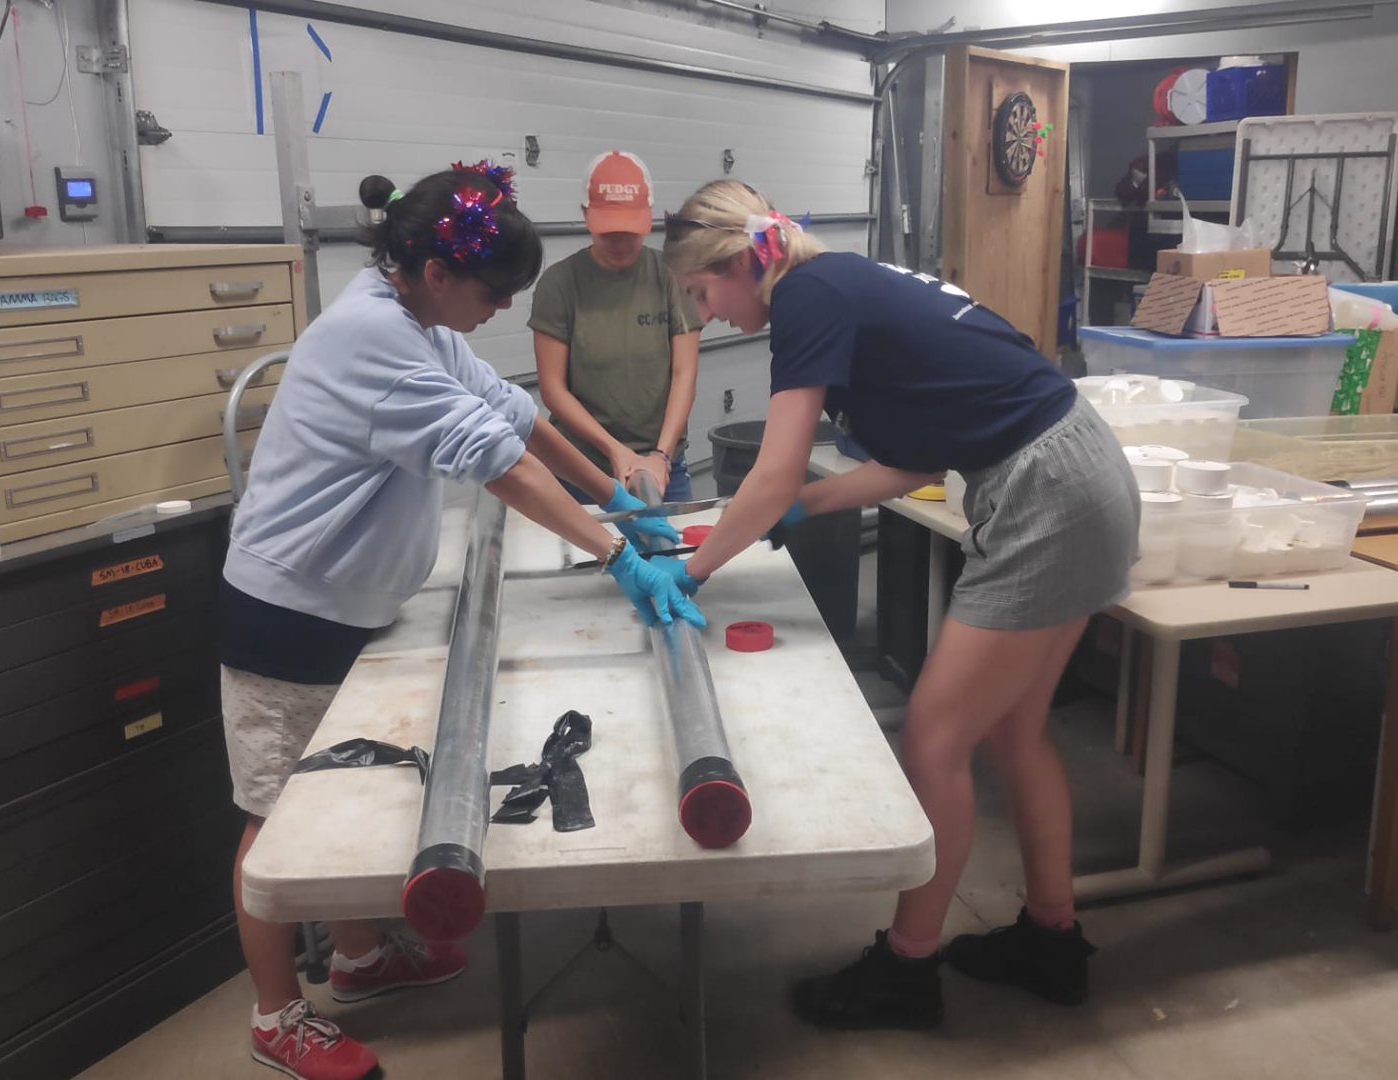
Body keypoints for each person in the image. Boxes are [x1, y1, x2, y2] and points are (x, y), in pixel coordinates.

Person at [219, 162, 704, 1080]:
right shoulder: (372, 335)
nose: (501, 310)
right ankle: (276, 1014)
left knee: (338, 796)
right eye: (495, 293)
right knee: (275, 818)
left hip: (348, 602)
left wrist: (616, 501)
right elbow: (495, 462)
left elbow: (513, 416)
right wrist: (614, 557)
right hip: (286, 611)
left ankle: (359, 959)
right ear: (438, 272)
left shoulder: (416, 318)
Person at [657, 181, 1139, 1031]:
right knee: (1014, 731)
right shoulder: (845, 283)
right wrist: (811, 505)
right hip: (1083, 469)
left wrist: (693, 571)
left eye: (703, 295)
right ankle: (1051, 941)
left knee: (934, 734)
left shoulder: (804, 296)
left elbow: (770, 471)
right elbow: (913, 461)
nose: (708, 316)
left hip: (1044, 494)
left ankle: (907, 972)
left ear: (739, 265)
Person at [531, 150, 703, 502]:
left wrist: (661, 455)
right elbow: (553, 389)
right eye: (608, 232)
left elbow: (684, 374)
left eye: (630, 231)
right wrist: (614, 450)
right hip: (580, 467)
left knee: (670, 552)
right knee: (592, 556)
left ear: (648, 217)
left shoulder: (670, 275)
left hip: (663, 467)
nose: (620, 243)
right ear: (585, 215)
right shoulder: (560, 284)